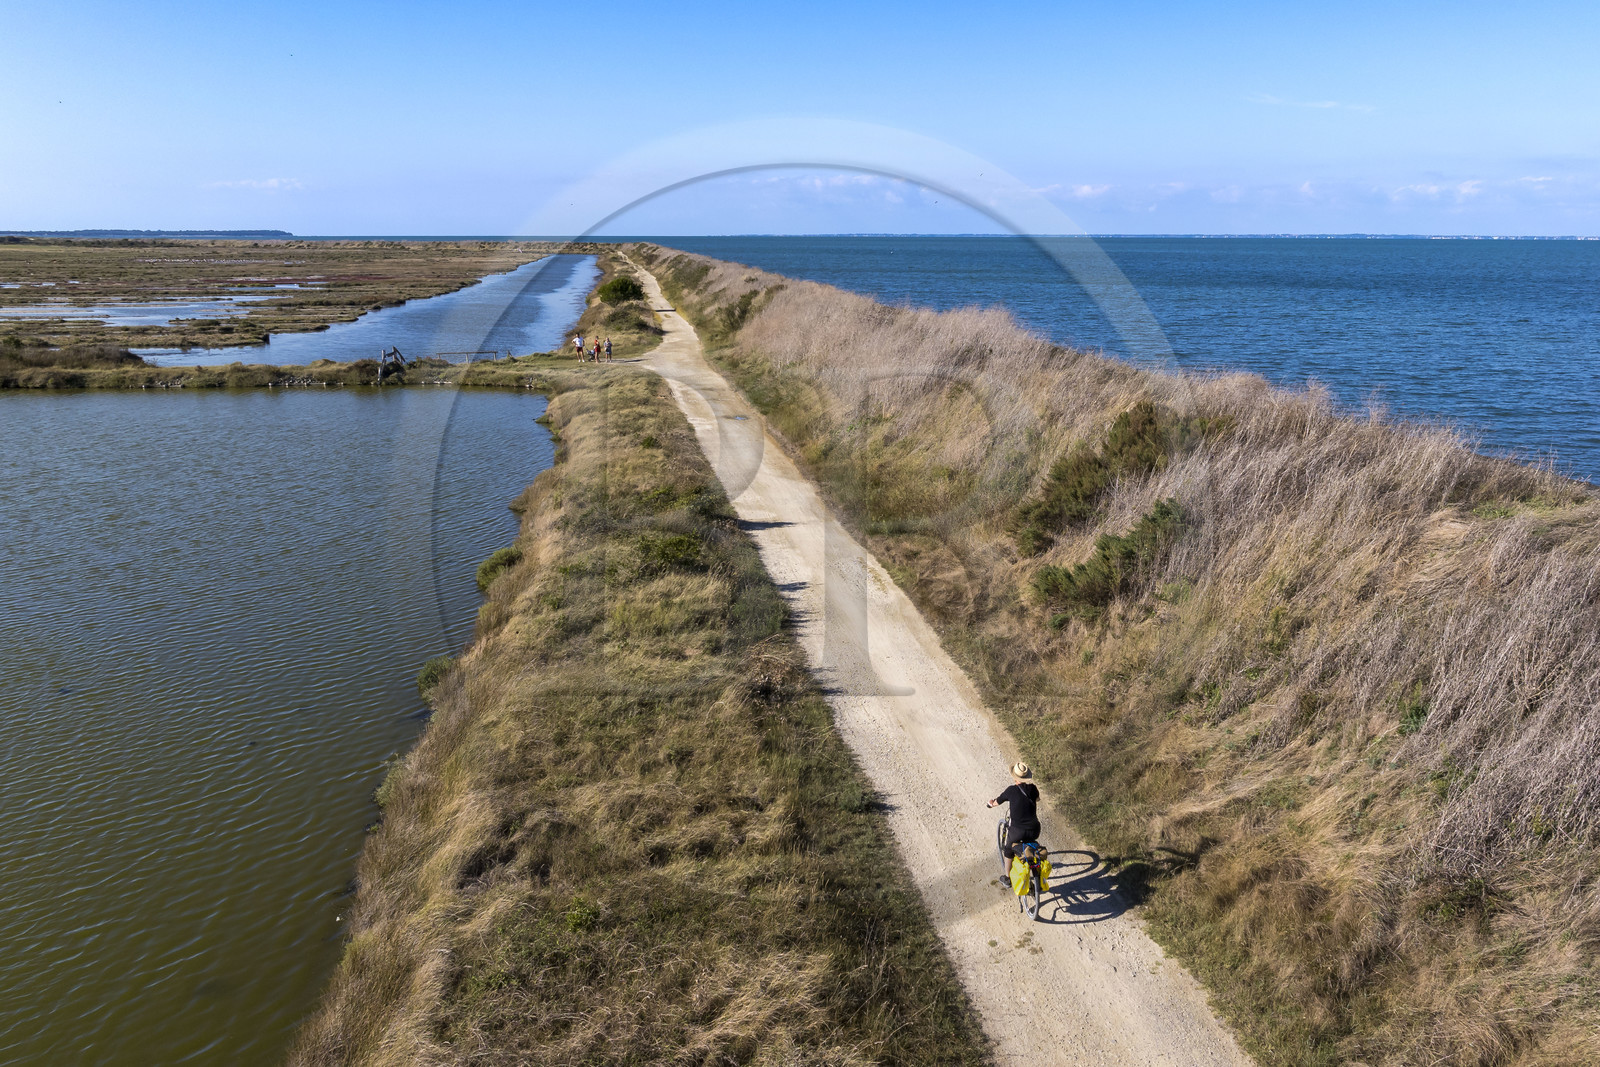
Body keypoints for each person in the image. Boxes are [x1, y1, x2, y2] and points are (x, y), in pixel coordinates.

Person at [987, 762, 1041, 883]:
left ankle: (1007, 878)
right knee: (1030, 845)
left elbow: (997, 802)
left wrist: (990, 804)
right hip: (1035, 829)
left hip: (1017, 831)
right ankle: (1036, 876)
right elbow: (1037, 799)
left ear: (1014, 777)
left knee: (1008, 849)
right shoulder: (1033, 789)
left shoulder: (1011, 790)